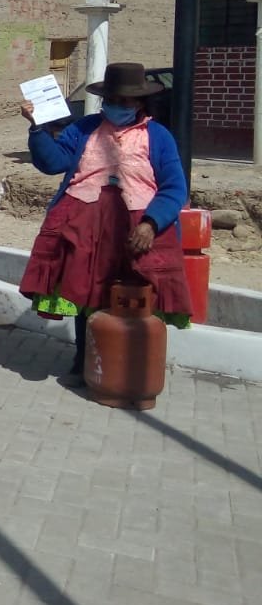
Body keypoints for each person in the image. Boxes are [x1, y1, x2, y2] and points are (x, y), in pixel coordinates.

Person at [18, 61, 192, 387]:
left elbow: (174, 188)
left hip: (138, 225)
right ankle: (85, 360)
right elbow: (53, 162)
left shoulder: (158, 137)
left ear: (139, 103)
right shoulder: (84, 129)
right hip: (84, 222)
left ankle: (136, 366)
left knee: (140, 295)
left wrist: (151, 224)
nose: (118, 106)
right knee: (87, 294)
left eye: (125, 101)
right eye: (112, 100)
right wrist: (37, 129)